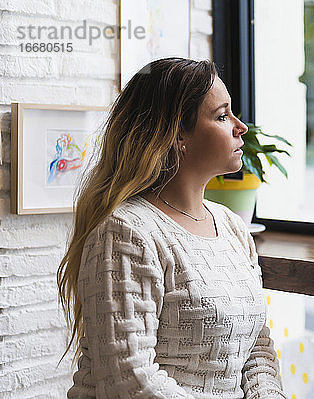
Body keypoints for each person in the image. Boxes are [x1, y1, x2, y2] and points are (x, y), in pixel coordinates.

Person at [57, 58, 288, 399]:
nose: (241, 128)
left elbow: (257, 349)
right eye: (222, 116)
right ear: (178, 134)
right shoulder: (125, 234)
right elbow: (130, 381)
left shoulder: (231, 227)